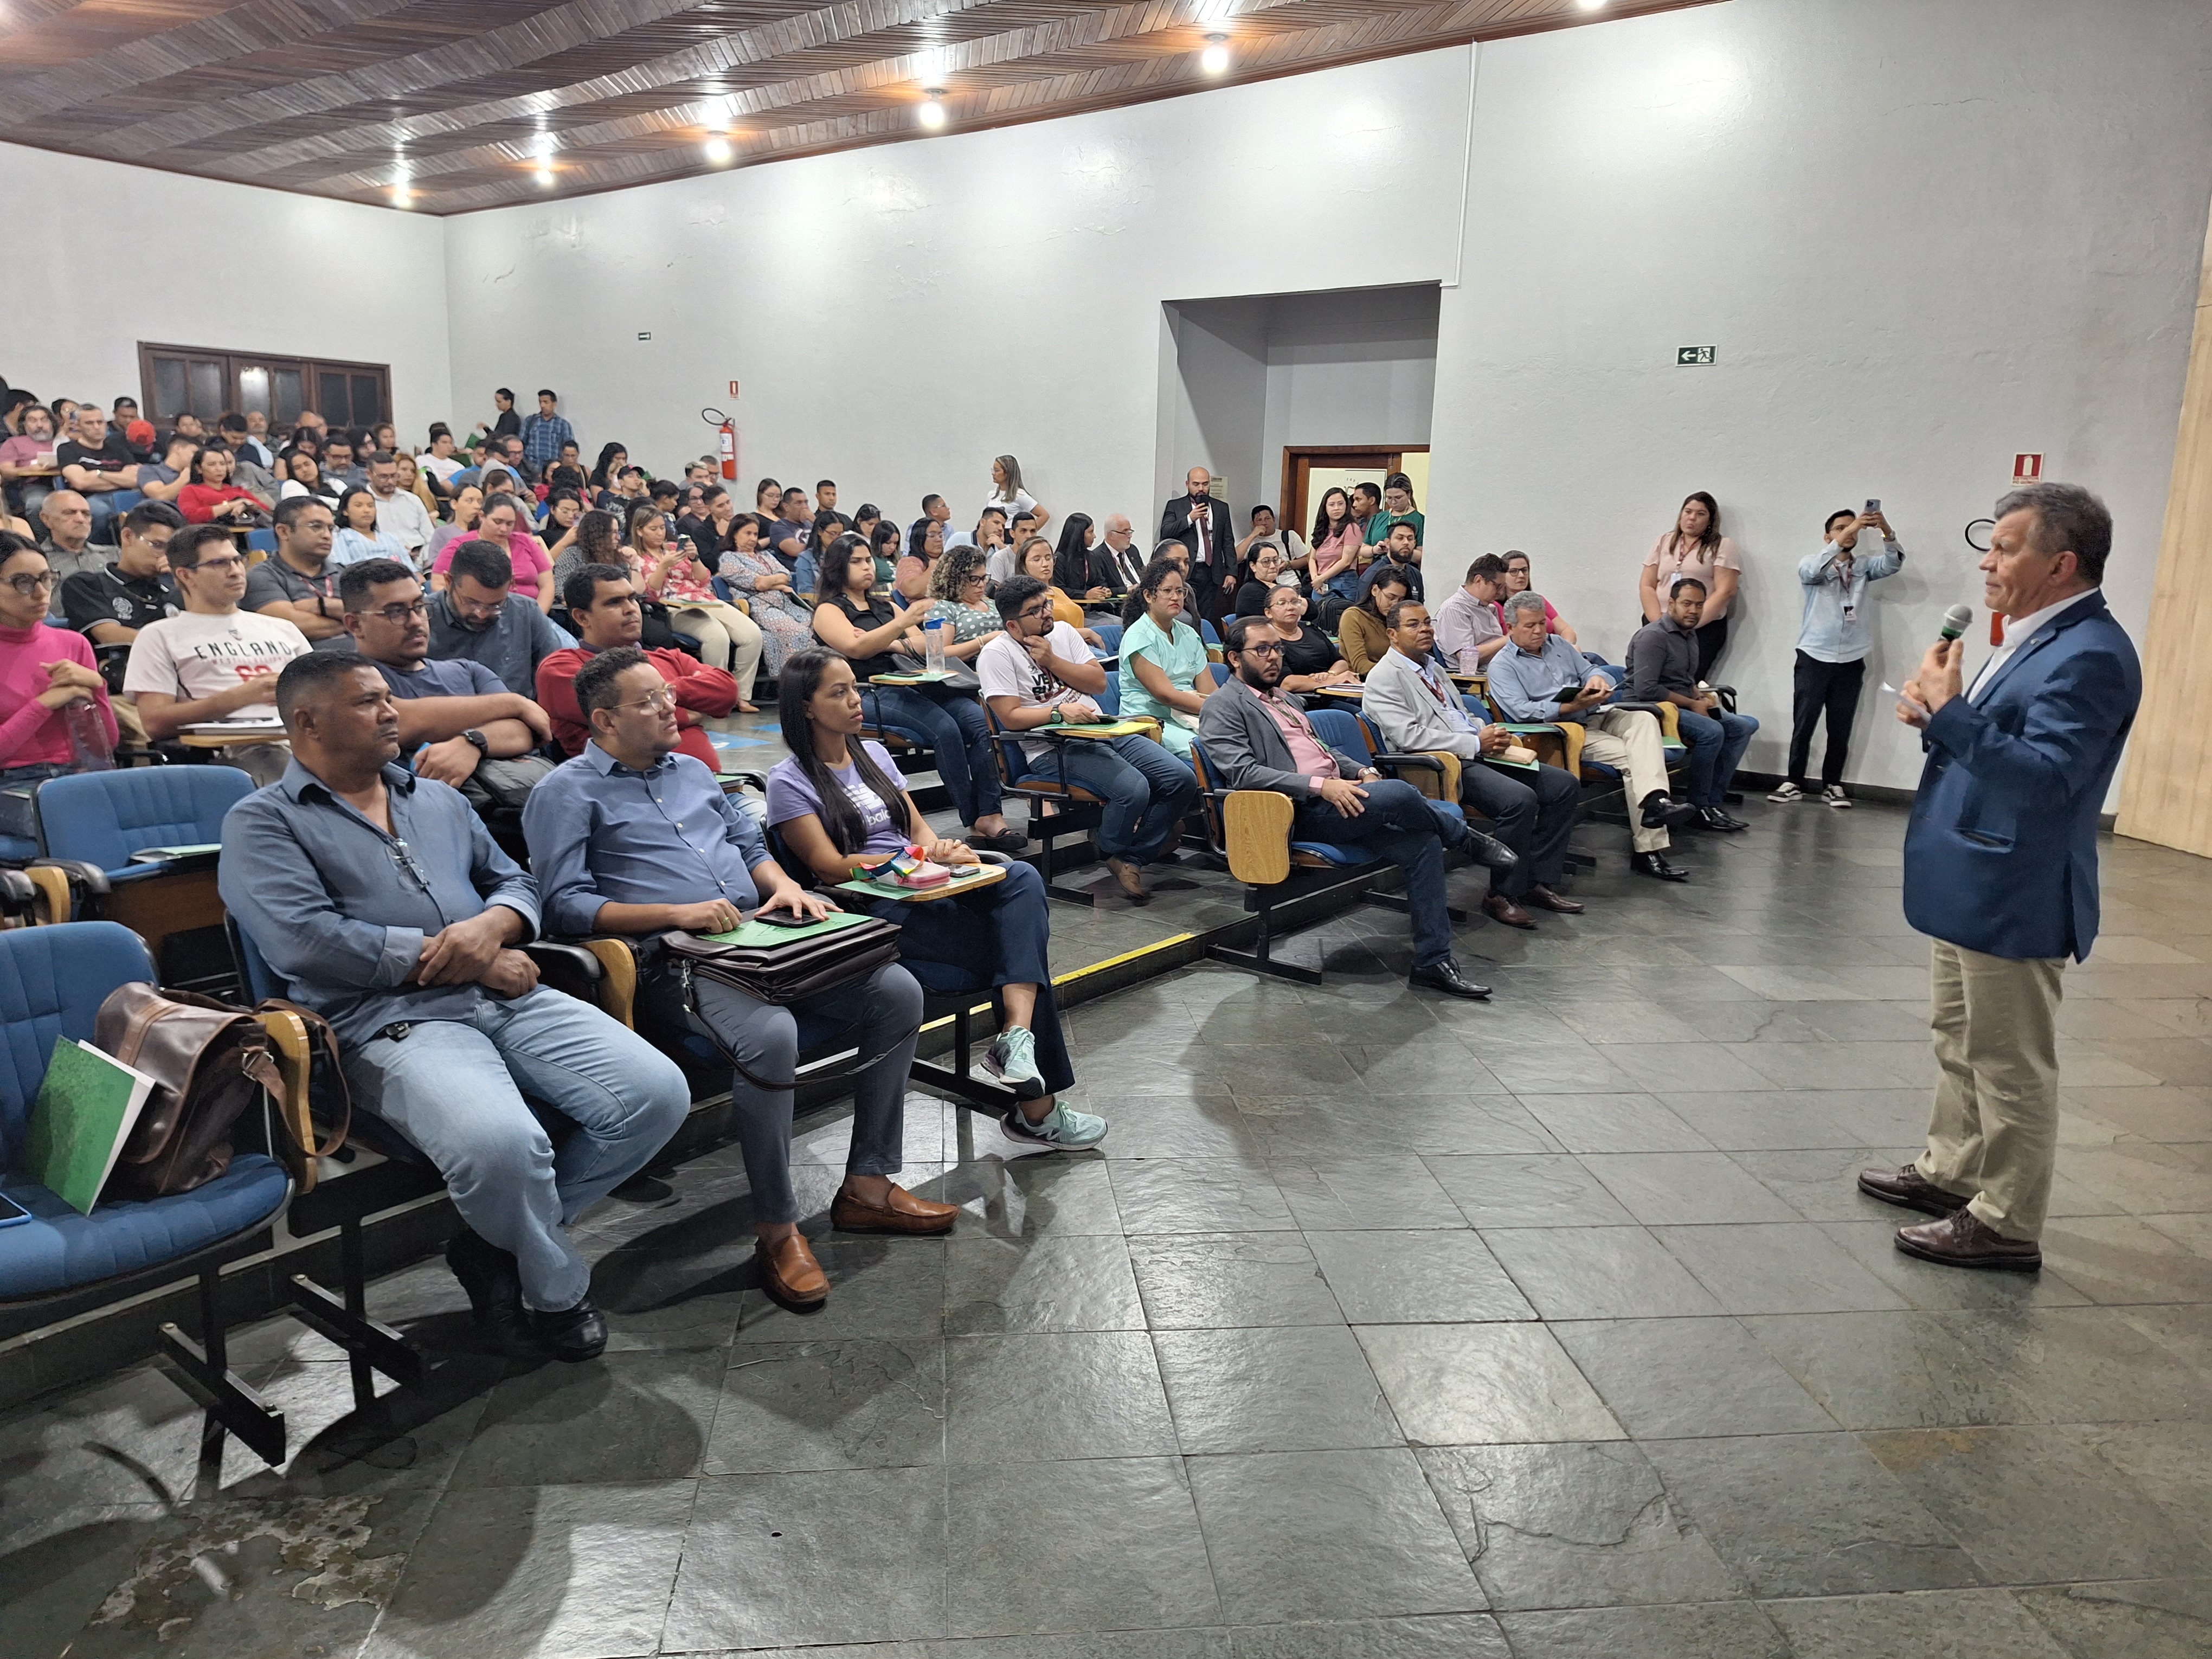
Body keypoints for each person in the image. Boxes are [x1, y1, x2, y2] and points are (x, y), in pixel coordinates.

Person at [224, 652, 685, 1360]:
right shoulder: (264, 822)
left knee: (656, 1095)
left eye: (389, 698)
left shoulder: (436, 799)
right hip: (387, 1021)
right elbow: (306, 941)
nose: (392, 712)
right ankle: (556, 1289)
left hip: (503, 994)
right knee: (501, 1147)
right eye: (368, 702)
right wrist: (467, 955)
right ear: (308, 723)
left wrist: (495, 927)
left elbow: (515, 882)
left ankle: (493, 1246)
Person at [523, 649, 951, 1310]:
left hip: (758, 936)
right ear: (604, 720)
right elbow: (565, 906)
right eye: (649, 701)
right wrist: (678, 913)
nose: (670, 708)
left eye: (668, 694)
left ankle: (868, 1184)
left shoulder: (694, 772)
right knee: (771, 1034)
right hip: (673, 960)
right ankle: (778, 1230)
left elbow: (750, 849)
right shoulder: (565, 792)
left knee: (897, 992)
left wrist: (784, 888)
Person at [1861, 481, 2140, 1274]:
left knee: (2010, 1062)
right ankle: (1954, 1170)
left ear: (2061, 564)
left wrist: (1953, 715)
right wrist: (1937, 718)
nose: (1987, 561)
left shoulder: (2092, 654)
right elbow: (1997, 743)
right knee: (1960, 1039)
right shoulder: (2034, 636)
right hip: (1974, 875)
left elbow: (2048, 781)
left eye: (2005, 547)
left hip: (2016, 887)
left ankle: (2007, 1220)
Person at [767, 646, 1110, 1158]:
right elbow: (828, 866)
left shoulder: (874, 755)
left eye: (855, 688)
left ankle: (1016, 1038)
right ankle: (1036, 1111)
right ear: (807, 708)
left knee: (1019, 876)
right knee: (1016, 952)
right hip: (875, 904)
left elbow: (918, 829)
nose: (856, 701)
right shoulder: (789, 781)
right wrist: (905, 862)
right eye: (839, 693)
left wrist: (940, 851)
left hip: (928, 884)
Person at [1203, 616, 1501, 999]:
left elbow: (1324, 752)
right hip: (1295, 812)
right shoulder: (1223, 705)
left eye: (1277, 648)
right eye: (1262, 649)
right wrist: (1321, 786)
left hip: (1339, 800)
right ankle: (1466, 839)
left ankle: (1433, 962)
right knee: (1400, 793)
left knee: (1423, 844)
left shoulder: (1285, 698)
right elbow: (1243, 772)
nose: (1274, 656)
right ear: (1234, 658)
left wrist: (1362, 771)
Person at [1363, 599, 1584, 929]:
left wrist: (1488, 732)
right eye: (1414, 625)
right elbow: (1409, 737)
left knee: (1563, 785)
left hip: (1478, 750)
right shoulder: (1384, 677)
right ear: (1393, 634)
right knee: (1519, 800)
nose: (1425, 630)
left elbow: (1461, 715)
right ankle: (1502, 894)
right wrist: (1475, 743)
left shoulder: (1433, 667)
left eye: (1427, 622)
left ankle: (1536, 881)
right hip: (1443, 764)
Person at [981, 575, 1198, 902]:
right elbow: (1011, 716)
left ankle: (1129, 855)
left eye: (1046, 604)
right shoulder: (997, 654)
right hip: (1052, 747)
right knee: (1133, 789)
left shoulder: (1064, 633)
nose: (1046, 613)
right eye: (1035, 611)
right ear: (1013, 625)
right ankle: (1115, 848)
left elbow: (1098, 683)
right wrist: (1058, 713)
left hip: (1102, 730)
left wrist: (1052, 660)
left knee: (1181, 779)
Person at [811, 536, 1025, 851]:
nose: (867, 567)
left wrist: (886, 640)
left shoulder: (886, 605)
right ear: (837, 568)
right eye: (856, 562)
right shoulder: (829, 610)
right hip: (871, 691)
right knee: (945, 729)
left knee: (981, 723)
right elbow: (855, 648)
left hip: (918, 681)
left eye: (868, 560)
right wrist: (900, 627)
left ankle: (990, 813)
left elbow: (928, 644)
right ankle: (974, 816)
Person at [1488, 591, 1696, 881]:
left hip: (1595, 713)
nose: (1538, 631)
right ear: (1510, 628)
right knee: (1639, 760)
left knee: (1644, 718)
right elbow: (1522, 712)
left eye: (1542, 623)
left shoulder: (1559, 644)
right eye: (1530, 626)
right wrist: (1569, 707)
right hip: (1563, 732)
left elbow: (1591, 669)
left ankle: (1656, 802)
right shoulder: (1502, 666)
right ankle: (1650, 847)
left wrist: (1598, 680)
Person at [337, 560, 554, 810]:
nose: (415, 621)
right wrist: (513, 703)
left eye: (419, 607)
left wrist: (472, 744)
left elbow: (526, 729)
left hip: (517, 799)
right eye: (395, 612)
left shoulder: (468, 671)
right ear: (355, 625)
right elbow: (401, 721)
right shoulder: (346, 680)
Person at [123, 523, 311, 782]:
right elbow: (155, 722)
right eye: (219, 563)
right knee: (275, 762)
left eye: (237, 560)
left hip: (304, 737)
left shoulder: (282, 628)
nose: (236, 571)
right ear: (186, 576)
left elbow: (322, 693)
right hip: (233, 753)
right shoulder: (159, 635)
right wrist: (238, 698)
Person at [539, 565, 737, 769]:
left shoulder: (670, 657)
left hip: (712, 782)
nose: (631, 609)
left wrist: (653, 697)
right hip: (622, 784)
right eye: (614, 602)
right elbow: (628, 723)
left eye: (633, 599)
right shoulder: (560, 668)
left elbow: (728, 691)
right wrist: (690, 711)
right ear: (582, 617)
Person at [1776, 506, 1906, 806]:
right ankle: (1793, 781)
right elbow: (1811, 573)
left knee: (1841, 725)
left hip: (1851, 657)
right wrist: (1851, 529)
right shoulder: (1812, 563)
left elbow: (1894, 562)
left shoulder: (1864, 568)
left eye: (1853, 527)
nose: (1849, 532)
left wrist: (1885, 528)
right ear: (1827, 537)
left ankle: (1832, 784)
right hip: (1814, 654)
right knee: (1804, 722)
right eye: (1840, 528)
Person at [0, 535, 117, 835]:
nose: (41, 593)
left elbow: (105, 745)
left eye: (46, 579)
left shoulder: (73, 643)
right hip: (10, 783)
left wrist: (97, 687)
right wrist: (47, 702)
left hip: (76, 776)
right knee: (72, 823)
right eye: (23, 582)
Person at [1625, 578, 1757, 832]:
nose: (1694, 611)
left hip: (1680, 704)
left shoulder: (1689, 634)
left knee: (1743, 727)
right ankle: (1698, 807)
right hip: (1651, 708)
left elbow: (1684, 679)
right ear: (1671, 604)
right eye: (1687, 604)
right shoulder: (1653, 637)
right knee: (1712, 732)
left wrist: (1698, 696)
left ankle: (1712, 802)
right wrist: (1691, 704)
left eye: (1699, 605)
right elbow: (1646, 689)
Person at [625, 501, 762, 704]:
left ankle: (741, 695)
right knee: (717, 638)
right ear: (639, 530)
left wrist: (694, 557)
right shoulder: (635, 556)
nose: (660, 533)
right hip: (673, 607)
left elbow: (704, 580)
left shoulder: (675, 548)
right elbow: (649, 593)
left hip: (704, 599)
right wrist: (663, 567)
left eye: (662, 528)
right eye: (653, 529)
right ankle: (718, 696)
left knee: (752, 634)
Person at [428, 539, 573, 697]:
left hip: (518, 710)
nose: (482, 614)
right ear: (449, 582)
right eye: (472, 603)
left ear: (511, 584)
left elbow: (556, 672)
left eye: (495, 605)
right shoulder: (422, 619)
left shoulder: (526, 612)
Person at [61, 500, 183, 686]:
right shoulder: (87, 584)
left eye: (172, 550)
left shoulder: (177, 590)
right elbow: (108, 634)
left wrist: (185, 582)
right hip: (118, 685)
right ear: (128, 536)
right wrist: (177, 647)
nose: (165, 555)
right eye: (157, 545)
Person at [1116, 556, 1212, 759]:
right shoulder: (1139, 636)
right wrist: (1217, 709)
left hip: (1189, 714)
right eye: (1167, 591)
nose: (1176, 597)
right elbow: (1166, 695)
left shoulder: (1189, 633)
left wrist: (1226, 709)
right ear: (1149, 596)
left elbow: (1209, 689)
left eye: (1180, 591)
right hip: (1152, 722)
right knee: (1212, 748)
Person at [1641, 491, 1741, 669]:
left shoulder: (1722, 545)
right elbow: (1647, 585)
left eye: (1700, 514)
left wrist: (1687, 625)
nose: (1692, 518)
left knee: (1685, 680)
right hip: (1659, 624)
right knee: (1650, 677)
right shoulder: (1664, 541)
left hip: (1699, 629)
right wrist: (1660, 625)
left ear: (1710, 521)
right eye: (1688, 512)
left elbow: (1726, 591)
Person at [718, 512, 814, 676]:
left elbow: (786, 575)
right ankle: (793, 679)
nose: (753, 539)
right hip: (759, 608)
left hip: (785, 604)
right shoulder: (729, 558)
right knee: (797, 633)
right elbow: (758, 584)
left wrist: (774, 582)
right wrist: (778, 583)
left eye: (755, 534)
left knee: (815, 625)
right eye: (748, 533)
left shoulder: (764, 555)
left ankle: (813, 676)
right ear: (734, 535)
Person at [242, 496, 346, 641]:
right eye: (316, 527)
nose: (327, 536)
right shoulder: (262, 576)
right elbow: (290, 626)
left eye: (331, 529)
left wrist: (319, 606)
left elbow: (374, 618)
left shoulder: (345, 574)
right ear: (284, 532)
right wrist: (352, 620)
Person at [434, 493, 556, 610]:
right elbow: (438, 584)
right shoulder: (459, 546)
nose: (504, 529)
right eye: (498, 522)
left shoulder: (526, 542)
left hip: (531, 612)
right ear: (482, 516)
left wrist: (538, 615)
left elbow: (547, 585)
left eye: (510, 524)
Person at [56, 406, 144, 539]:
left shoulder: (118, 448)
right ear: (78, 426)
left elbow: (135, 480)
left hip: (125, 495)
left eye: (100, 422)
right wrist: (121, 479)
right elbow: (80, 482)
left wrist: (99, 474)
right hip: (90, 499)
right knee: (100, 511)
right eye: (89, 423)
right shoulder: (67, 449)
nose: (97, 427)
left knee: (152, 508)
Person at [1160, 467, 1234, 619]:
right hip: (1187, 570)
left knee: (1207, 616)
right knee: (1186, 615)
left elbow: (1228, 541)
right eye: (1196, 484)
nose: (1201, 488)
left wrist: (1232, 572)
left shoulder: (1221, 508)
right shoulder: (1176, 506)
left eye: (1205, 484)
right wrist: (1190, 519)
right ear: (1187, 484)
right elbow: (1166, 532)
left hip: (1212, 572)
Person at [1263, 585, 1358, 693]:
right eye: (1282, 603)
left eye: (1295, 602)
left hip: (1335, 690)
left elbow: (1341, 661)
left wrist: (1330, 674)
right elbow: (1287, 684)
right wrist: (1333, 680)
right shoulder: (1268, 641)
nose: (1290, 607)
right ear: (1268, 613)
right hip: (1304, 698)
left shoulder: (1310, 628)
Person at [1435, 556, 1513, 672]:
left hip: (1499, 668)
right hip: (1474, 677)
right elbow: (1466, 656)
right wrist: (1508, 639)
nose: (1501, 592)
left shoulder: (1489, 607)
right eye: (1497, 587)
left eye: (1504, 588)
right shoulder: (1455, 609)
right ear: (1478, 580)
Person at [1016, 536, 1102, 641]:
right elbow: (1042, 634)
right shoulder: (1028, 598)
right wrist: (1086, 633)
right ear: (1024, 565)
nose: (1045, 564)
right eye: (1037, 560)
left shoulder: (1058, 591)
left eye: (1049, 558)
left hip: (1081, 644)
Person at [1338, 568, 1411, 677]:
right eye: (1391, 598)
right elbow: (1361, 666)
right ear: (1375, 590)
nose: (1395, 604)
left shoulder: (1398, 618)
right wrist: (1402, 673)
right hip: (1365, 680)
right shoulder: (1353, 616)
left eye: (1401, 600)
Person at [1308, 487, 1365, 625]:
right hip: (1320, 584)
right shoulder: (1322, 529)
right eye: (1332, 505)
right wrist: (1315, 578)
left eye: (1341, 504)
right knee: (1318, 622)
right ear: (1325, 507)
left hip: (1343, 582)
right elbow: (1312, 558)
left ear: (1347, 506)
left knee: (1341, 623)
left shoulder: (1352, 528)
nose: (1337, 508)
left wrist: (1321, 578)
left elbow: (1346, 561)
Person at [175, 444, 265, 526]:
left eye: (222, 464)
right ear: (199, 469)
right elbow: (193, 516)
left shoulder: (238, 490)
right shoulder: (190, 490)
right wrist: (232, 505)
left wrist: (245, 505)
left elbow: (266, 510)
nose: (219, 469)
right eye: (212, 464)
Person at [1500, 551, 1578, 645]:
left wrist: (1568, 648)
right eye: (1514, 571)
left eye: (1525, 570)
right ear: (1503, 575)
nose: (1521, 575)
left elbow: (1566, 630)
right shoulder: (1496, 607)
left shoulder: (1538, 600)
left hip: (1554, 649)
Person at [329, 485, 410, 569]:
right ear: (345, 511)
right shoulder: (340, 537)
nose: (367, 510)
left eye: (371, 506)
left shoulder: (391, 538)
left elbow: (411, 569)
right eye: (359, 505)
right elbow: (342, 569)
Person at [1236, 504, 1310, 588]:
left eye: (1268, 519)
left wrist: (1288, 564)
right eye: (1259, 520)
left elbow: (1307, 559)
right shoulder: (1249, 541)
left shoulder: (1289, 536)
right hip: (1262, 587)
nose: (1264, 523)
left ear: (1274, 520)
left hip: (1291, 584)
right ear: (1253, 524)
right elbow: (1236, 558)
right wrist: (1253, 535)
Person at [1355, 517, 1424, 605]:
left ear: (1414, 543)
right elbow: (1362, 609)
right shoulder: (1373, 574)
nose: (1406, 543)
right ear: (1387, 543)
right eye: (1400, 538)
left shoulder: (1416, 574)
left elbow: (1419, 606)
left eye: (1410, 539)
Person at [1053, 512, 1115, 602]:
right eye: (1091, 532)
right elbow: (1059, 590)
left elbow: (1100, 582)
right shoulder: (1059, 559)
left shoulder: (1091, 556)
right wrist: (1085, 595)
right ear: (1079, 534)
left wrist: (1104, 590)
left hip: (1093, 608)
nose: (1094, 536)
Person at [983, 454, 1047, 536]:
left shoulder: (1019, 495)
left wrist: (1025, 534)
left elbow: (1044, 515)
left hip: (1009, 535)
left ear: (1008, 473)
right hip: (992, 535)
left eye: (997, 470)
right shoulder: (992, 495)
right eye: (993, 470)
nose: (993, 474)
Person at [518, 389, 575, 480]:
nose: (542, 405)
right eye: (540, 402)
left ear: (554, 404)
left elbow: (569, 449)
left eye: (546, 402)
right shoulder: (530, 421)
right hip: (530, 470)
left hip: (553, 472)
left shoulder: (563, 425)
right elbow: (520, 444)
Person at [1365, 472, 1425, 552]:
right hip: (1378, 559)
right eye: (1389, 498)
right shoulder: (1378, 518)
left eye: (1398, 498)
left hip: (1405, 560)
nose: (1393, 502)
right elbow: (1364, 549)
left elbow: (1421, 554)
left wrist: (1398, 551)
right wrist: (1375, 549)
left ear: (1409, 494)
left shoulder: (1420, 520)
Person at [1233, 545, 1292, 617]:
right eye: (1266, 562)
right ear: (1253, 566)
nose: (1273, 566)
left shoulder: (1276, 586)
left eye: (1275, 560)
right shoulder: (1250, 591)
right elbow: (1279, 618)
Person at [277, 447, 344, 509]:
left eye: (307, 464)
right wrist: (342, 504)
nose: (305, 470)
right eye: (297, 468)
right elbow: (307, 506)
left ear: (316, 464)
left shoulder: (335, 483)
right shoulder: (290, 486)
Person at [1096, 512, 1147, 593]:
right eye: (1125, 532)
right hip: (1121, 599)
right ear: (1111, 535)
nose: (1130, 536)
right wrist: (1127, 590)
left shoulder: (1132, 550)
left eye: (1130, 531)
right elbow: (1102, 589)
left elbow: (1144, 575)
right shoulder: (1097, 557)